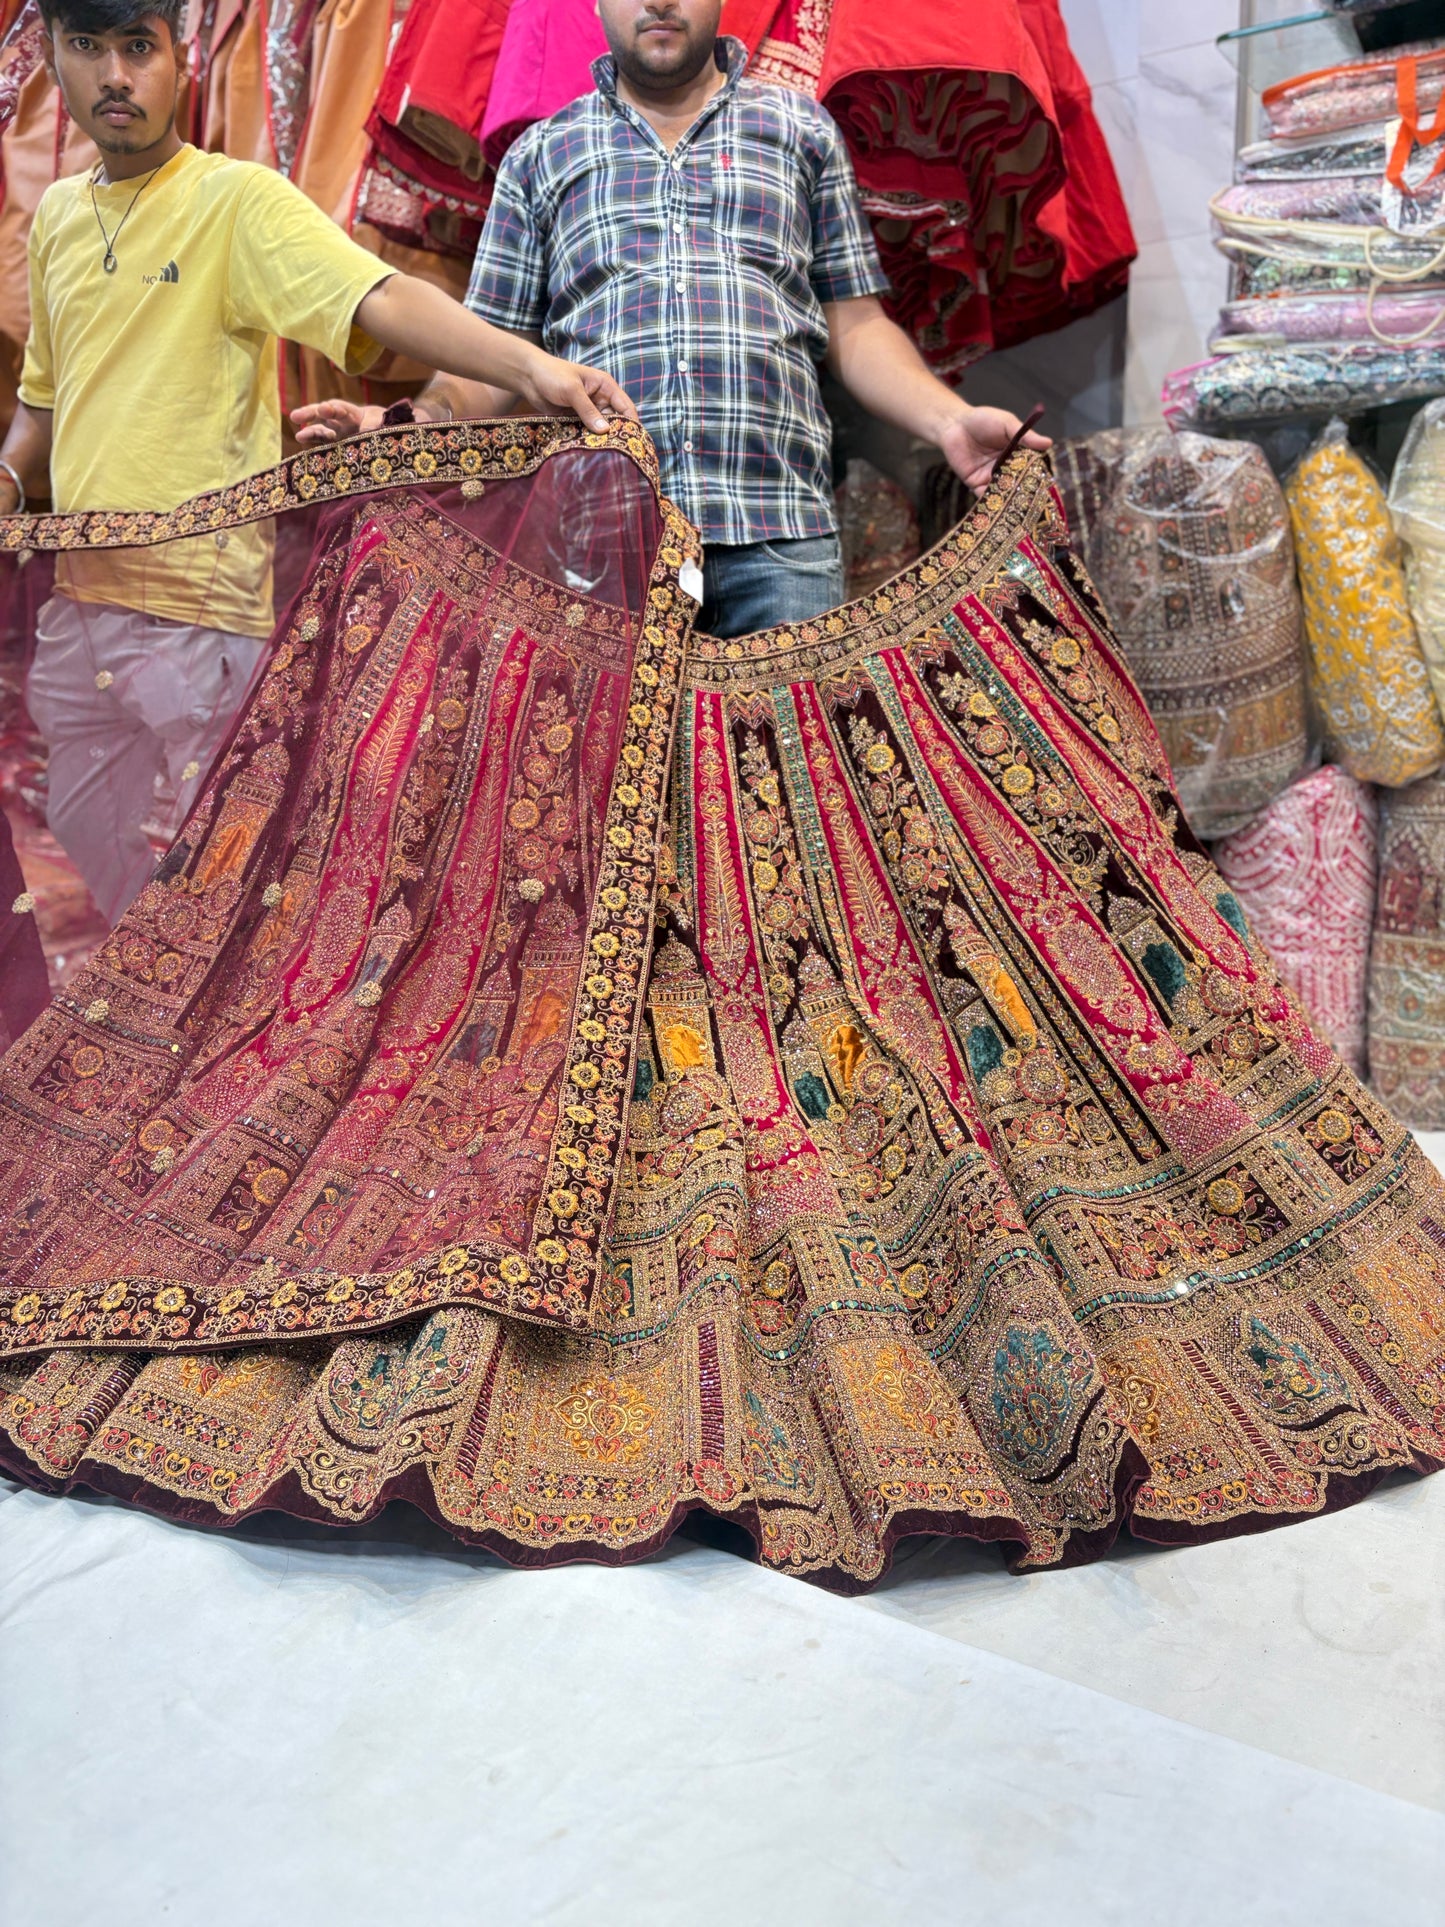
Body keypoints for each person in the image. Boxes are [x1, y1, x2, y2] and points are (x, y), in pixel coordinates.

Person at [0, 0, 637, 926]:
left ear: (183, 58)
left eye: (138, 48)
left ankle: (198, 1057)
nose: (114, 76)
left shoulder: (235, 201)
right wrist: (11, 478)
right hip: (80, 616)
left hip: (198, 621)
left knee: (210, 887)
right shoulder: (58, 216)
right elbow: (41, 417)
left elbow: (380, 296)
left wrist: (532, 365)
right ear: (51, 58)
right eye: (87, 48)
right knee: (91, 860)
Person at [292, 0, 1050, 639]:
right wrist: (409, 423)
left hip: (780, 540)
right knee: (619, 810)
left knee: (778, 807)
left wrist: (949, 420)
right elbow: (491, 357)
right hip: (600, 557)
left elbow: (856, 325)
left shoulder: (800, 131)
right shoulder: (540, 157)